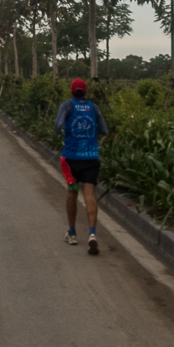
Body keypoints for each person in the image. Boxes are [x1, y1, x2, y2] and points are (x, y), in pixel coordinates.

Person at [54, 78, 107, 255]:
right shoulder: (94, 107)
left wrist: (64, 132)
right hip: (91, 157)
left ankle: (73, 232)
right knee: (89, 194)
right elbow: (104, 130)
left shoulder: (67, 106)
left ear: (72, 91)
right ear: (85, 92)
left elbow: (58, 125)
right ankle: (92, 234)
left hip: (71, 158)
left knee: (72, 192)